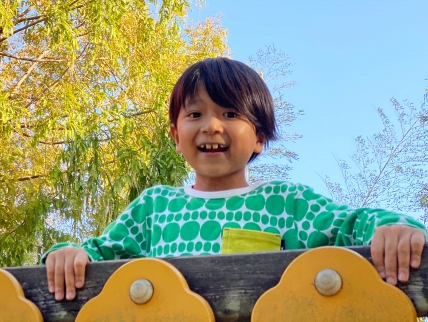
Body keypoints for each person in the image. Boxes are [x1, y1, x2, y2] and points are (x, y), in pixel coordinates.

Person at [43, 57, 426, 301]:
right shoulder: (154, 208)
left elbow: (350, 225)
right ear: (176, 136)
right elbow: (100, 254)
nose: (211, 126)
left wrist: (396, 227)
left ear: (259, 136)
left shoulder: (287, 202)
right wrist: (68, 254)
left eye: (229, 114)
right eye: (195, 115)